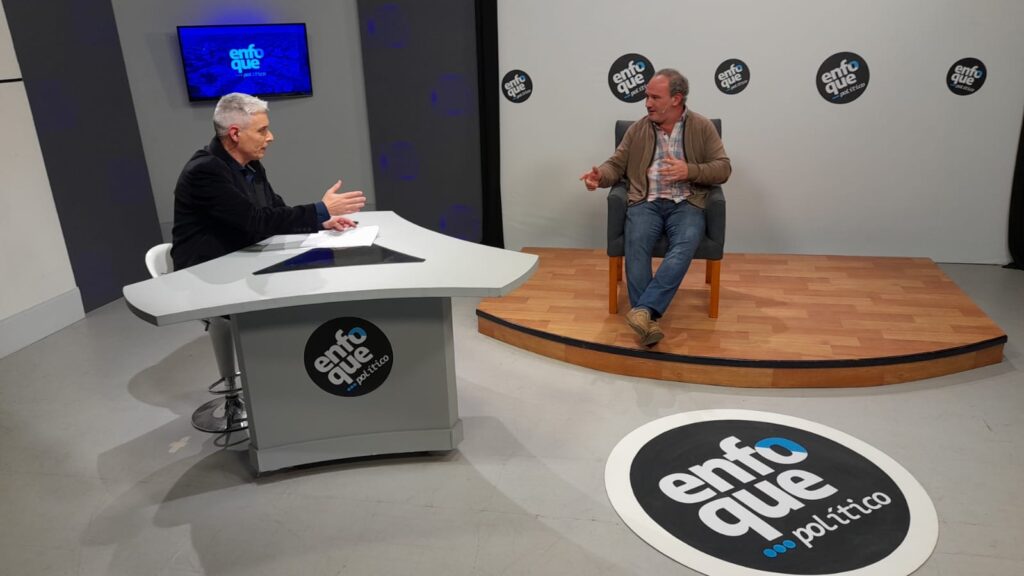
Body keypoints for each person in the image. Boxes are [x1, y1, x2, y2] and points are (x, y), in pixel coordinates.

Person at [580, 69, 731, 346]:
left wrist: (690, 170)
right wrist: (600, 177)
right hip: (645, 201)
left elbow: (723, 169)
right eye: (646, 96)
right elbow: (616, 164)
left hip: (686, 202)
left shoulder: (701, 126)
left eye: (654, 97)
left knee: (685, 243)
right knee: (636, 241)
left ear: (676, 99)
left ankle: (643, 311)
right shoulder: (638, 129)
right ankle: (646, 319)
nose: (647, 103)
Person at [171, 92, 366, 270]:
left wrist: (321, 221)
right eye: (262, 130)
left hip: (242, 263)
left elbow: (274, 211)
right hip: (206, 273)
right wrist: (321, 209)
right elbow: (254, 221)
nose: (270, 137)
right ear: (235, 134)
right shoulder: (204, 171)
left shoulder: (251, 164)